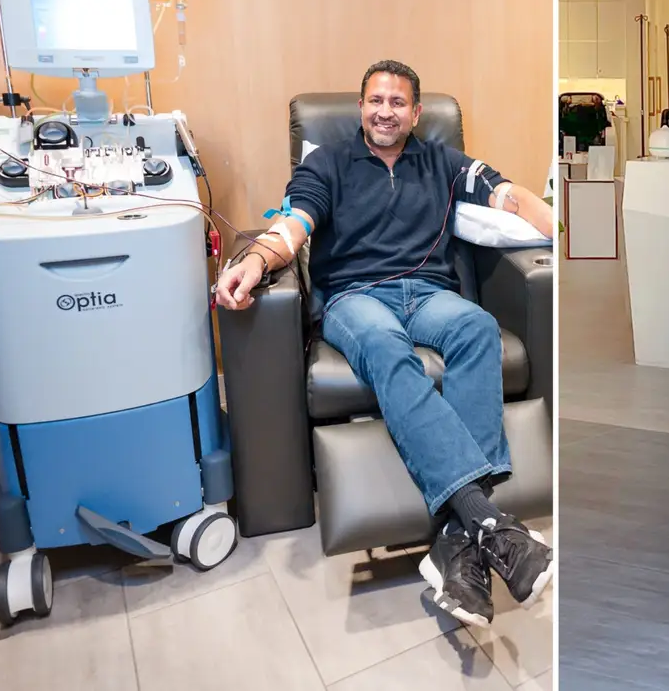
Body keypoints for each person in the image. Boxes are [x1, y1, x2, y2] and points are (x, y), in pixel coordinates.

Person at [214, 59, 556, 629]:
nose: (385, 111)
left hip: (427, 292)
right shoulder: (328, 163)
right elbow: (294, 222)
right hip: (356, 298)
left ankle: (460, 543)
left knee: (475, 328)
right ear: (361, 107)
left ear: (417, 114)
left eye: (398, 103)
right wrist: (254, 259)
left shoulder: (442, 162)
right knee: (386, 348)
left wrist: (559, 230)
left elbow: (505, 195)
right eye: (376, 100)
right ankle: (490, 522)